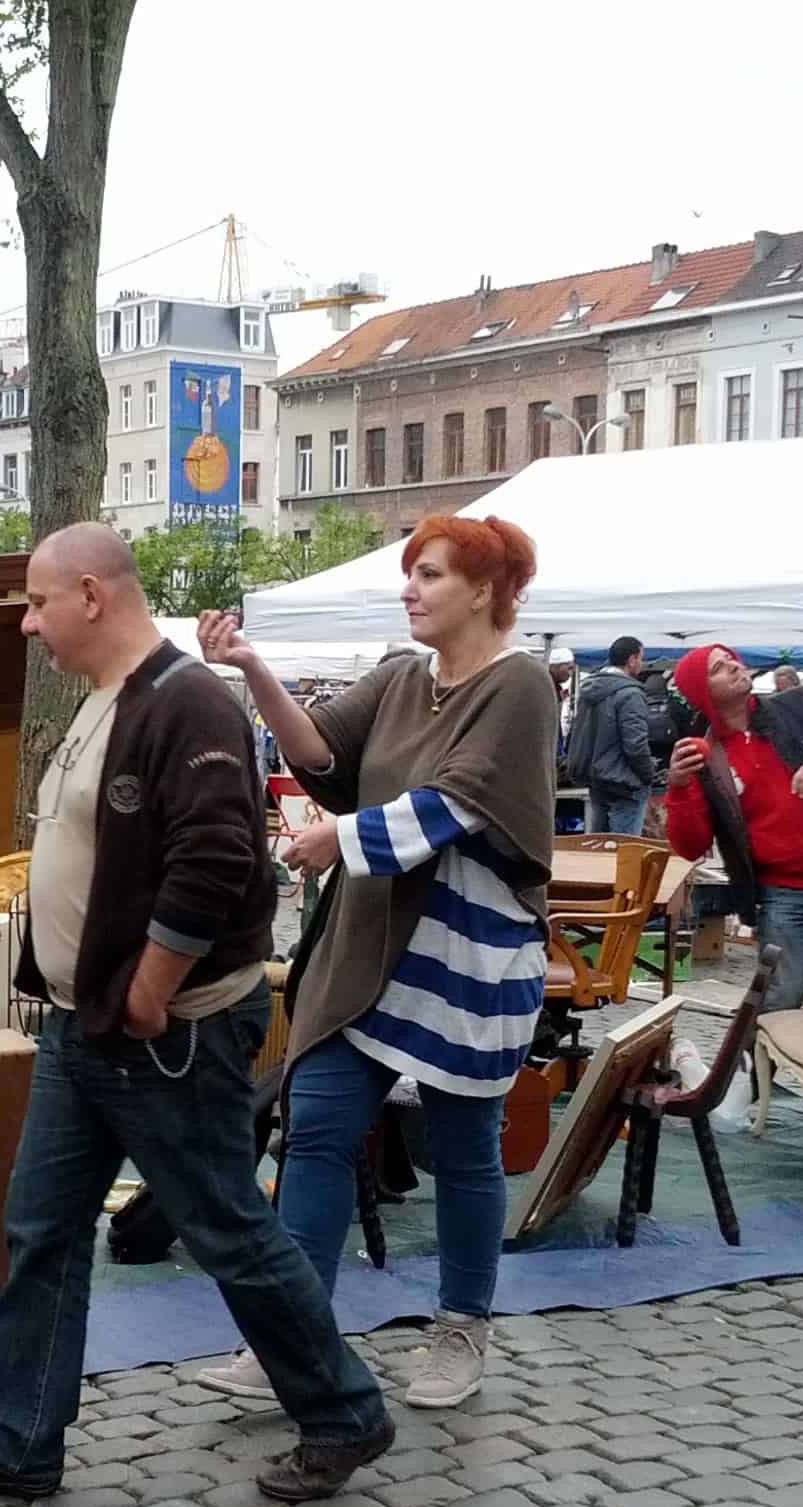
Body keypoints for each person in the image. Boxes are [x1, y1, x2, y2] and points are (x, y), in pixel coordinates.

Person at [0, 524, 394, 1506]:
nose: (30, 625)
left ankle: (342, 1412)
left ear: (91, 594)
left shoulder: (188, 700)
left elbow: (217, 861)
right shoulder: (108, 703)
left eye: (38, 603)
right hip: (95, 1029)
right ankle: (17, 1440)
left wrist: (153, 986)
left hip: (169, 1032)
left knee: (225, 1228)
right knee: (40, 1226)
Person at [195, 516, 555, 1411]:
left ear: (484, 590)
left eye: (429, 575)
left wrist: (335, 838)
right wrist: (251, 669)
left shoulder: (521, 685)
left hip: (466, 955)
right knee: (313, 1129)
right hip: (366, 945)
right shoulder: (400, 677)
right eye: (411, 575)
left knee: (465, 1147)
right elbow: (319, 751)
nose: (411, 590)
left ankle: (461, 1330)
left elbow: (457, 803)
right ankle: (292, 1339)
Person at [666, 643, 803, 1015]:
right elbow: (691, 846)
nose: (736, 667)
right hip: (784, 895)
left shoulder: (798, 706)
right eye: (720, 668)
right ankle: (765, 1074)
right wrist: (678, 784)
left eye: (732, 659)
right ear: (702, 692)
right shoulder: (704, 753)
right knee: (778, 1005)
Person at [567, 635, 657, 836]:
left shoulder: (589, 690)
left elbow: (577, 734)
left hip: (596, 780)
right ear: (632, 659)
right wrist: (648, 774)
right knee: (624, 853)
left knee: (600, 852)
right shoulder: (630, 694)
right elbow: (635, 744)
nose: (642, 664)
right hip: (624, 784)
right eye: (641, 658)